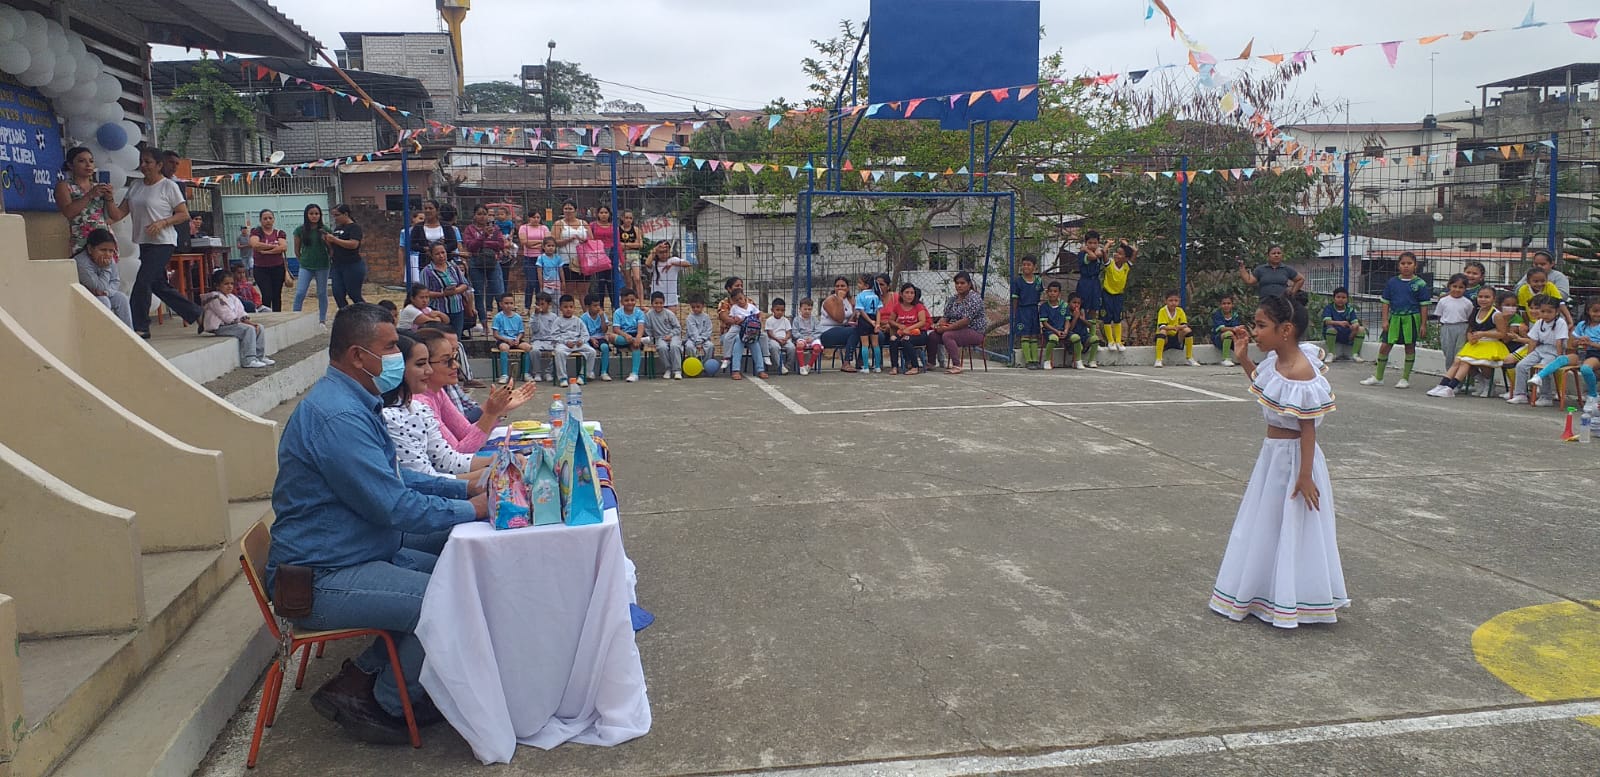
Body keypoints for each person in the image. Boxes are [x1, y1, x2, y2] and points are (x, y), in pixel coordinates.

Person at [268, 304, 489, 745]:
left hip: (357, 552)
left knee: (461, 575)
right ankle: (386, 701)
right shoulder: (339, 417)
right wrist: (475, 510)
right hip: (323, 575)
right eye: (390, 348)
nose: (398, 357)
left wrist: (465, 489)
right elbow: (394, 505)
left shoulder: (353, 403)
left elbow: (397, 477)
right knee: (447, 598)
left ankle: (361, 677)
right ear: (357, 355)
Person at [1209, 294, 1345, 628]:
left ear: (1285, 330)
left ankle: (1292, 597)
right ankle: (1264, 591)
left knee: (1292, 526)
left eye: (1261, 326)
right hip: (1273, 455)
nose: (1255, 332)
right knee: (1267, 523)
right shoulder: (1276, 363)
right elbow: (1267, 388)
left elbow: (1307, 429)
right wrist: (1243, 358)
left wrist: (1305, 475)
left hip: (1294, 460)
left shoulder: (1301, 370)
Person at [414, 328, 537, 453]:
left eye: (454, 357)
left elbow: (465, 431)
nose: (456, 365)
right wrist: (492, 413)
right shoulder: (420, 403)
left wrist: (499, 410)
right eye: (446, 361)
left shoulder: (437, 392)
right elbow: (457, 453)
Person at [121, 147, 201, 338]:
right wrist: (107, 200)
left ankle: (140, 326)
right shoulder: (136, 186)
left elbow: (183, 214)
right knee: (158, 285)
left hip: (163, 242)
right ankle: (198, 314)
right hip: (144, 241)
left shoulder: (168, 186)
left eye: (147, 162)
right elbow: (118, 213)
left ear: (158, 165)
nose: (143, 165)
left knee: (143, 281)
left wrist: (162, 223)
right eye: (141, 161)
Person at [381, 333, 482, 478]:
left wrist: (495, 462)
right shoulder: (391, 416)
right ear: (398, 367)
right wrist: (486, 475)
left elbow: (447, 459)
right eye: (420, 364)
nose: (429, 370)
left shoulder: (418, 407)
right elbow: (425, 480)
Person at [1361, 251, 1431, 389]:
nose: (1406, 266)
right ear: (1398, 265)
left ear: (1415, 265)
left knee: (1409, 347)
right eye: (1403, 263)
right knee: (1385, 346)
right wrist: (1385, 320)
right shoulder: (1392, 282)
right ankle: (1378, 377)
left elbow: (1424, 306)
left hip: (1411, 319)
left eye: (1409, 263)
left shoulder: (1420, 284)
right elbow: (1385, 302)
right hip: (1394, 319)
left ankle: (1405, 379)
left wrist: (1423, 324)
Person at [1428, 286, 1511, 398]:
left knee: (1480, 363)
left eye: (1487, 297)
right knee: (1458, 361)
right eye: (1480, 297)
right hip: (1476, 343)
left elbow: (1502, 333)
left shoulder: (1496, 315)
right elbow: (1470, 328)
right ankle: (1443, 385)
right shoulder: (1476, 311)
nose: (1483, 299)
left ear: (1494, 298)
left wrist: (1483, 334)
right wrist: (1470, 336)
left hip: (1491, 344)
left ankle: (1486, 385)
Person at [56, 146, 127, 255]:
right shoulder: (65, 186)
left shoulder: (98, 186)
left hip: (104, 238)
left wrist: (109, 198)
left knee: (107, 265)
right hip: (82, 239)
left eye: (91, 161)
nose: (88, 165)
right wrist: (90, 195)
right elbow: (68, 212)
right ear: (70, 165)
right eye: (81, 161)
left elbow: (115, 216)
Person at [200, 268, 272, 369]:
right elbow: (226, 315)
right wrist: (246, 324)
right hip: (220, 327)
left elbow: (240, 311)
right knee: (248, 329)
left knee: (259, 327)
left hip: (233, 324)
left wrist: (247, 321)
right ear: (217, 285)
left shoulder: (232, 297)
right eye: (226, 284)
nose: (230, 286)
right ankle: (248, 359)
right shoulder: (214, 298)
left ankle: (259, 356)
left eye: (231, 283)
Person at [1506, 295, 1569, 407]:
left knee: (1543, 367)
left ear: (1557, 311)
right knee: (1521, 365)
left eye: (1549, 312)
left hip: (1554, 351)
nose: (1545, 315)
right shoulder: (1539, 322)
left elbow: (1559, 342)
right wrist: (1529, 357)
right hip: (1540, 349)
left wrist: (1559, 359)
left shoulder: (1560, 323)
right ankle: (1521, 394)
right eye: (1543, 311)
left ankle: (1546, 397)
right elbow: (1533, 341)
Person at [74, 228, 132, 329]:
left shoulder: (109, 259)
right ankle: (106, 333)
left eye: (111, 251)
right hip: (84, 296)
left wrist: (107, 292)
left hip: (103, 293)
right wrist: (105, 268)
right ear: (90, 249)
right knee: (104, 301)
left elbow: (115, 280)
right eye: (103, 250)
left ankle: (129, 333)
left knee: (122, 298)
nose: (107, 254)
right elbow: (98, 287)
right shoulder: (82, 262)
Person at [463, 205, 507, 332]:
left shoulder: (495, 228)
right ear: (474, 215)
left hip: (493, 262)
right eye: (479, 213)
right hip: (476, 263)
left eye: (484, 213)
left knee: (499, 292)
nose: (482, 216)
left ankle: (503, 323)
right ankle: (484, 325)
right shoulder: (469, 229)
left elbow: (500, 244)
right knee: (478, 294)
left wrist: (482, 243)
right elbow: (470, 246)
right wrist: (484, 237)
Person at [934, 271, 986, 375]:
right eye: (957, 283)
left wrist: (946, 328)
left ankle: (957, 366)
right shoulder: (953, 299)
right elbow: (946, 317)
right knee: (933, 335)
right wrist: (938, 326)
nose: (959, 286)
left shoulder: (974, 298)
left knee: (948, 335)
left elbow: (965, 321)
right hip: (956, 330)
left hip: (974, 331)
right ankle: (931, 363)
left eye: (962, 283)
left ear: (969, 284)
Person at [293, 203, 331, 324]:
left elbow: (331, 249)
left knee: (322, 293)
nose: (314, 216)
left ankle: (322, 320)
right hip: (306, 266)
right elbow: (297, 250)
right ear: (306, 215)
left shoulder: (325, 230)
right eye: (311, 214)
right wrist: (302, 260)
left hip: (322, 265)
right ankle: (295, 318)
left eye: (317, 214)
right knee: (300, 293)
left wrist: (326, 240)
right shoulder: (300, 230)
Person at [422, 241, 470, 336]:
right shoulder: (427, 271)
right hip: (439, 310)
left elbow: (465, 284)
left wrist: (455, 291)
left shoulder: (453, 267)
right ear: (431, 255)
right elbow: (424, 292)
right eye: (437, 254)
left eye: (443, 252)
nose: (441, 256)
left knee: (456, 337)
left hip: (457, 309)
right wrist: (443, 294)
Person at [248, 210, 291, 312]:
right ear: (260, 220)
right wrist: (274, 246)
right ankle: (266, 315)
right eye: (265, 218)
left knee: (277, 295)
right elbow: (255, 245)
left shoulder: (279, 233)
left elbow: (283, 247)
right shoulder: (256, 232)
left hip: (277, 268)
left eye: (270, 218)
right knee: (267, 294)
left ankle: (277, 316)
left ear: (273, 219)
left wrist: (266, 251)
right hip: (261, 269)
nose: (268, 220)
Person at [884, 284, 931, 375]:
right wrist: (898, 325)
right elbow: (890, 320)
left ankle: (915, 366)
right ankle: (894, 367)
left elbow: (922, 322)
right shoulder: (897, 306)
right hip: (903, 332)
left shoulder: (919, 306)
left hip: (918, 333)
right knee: (893, 339)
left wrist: (909, 328)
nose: (910, 295)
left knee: (906, 340)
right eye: (907, 292)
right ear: (901, 294)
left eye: (912, 293)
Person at [551, 294, 598, 384]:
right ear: (560, 308)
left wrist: (581, 340)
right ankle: (563, 378)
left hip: (577, 344)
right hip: (564, 345)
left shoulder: (578, 320)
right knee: (559, 352)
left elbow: (585, 334)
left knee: (592, 352)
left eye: (571, 307)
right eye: (565, 307)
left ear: (574, 308)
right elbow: (554, 336)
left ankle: (583, 375)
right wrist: (565, 342)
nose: (568, 309)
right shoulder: (557, 321)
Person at [325, 204, 366, 307]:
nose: (335, 218)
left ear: (346, 214)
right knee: (338, 293)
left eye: (337, 215)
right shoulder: (338, 228)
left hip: (352, 265)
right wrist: (328, 242)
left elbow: (353, 244)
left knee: (354, 294)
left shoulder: (354, 228)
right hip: (337, 265)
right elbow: (334, 248)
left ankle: (366, 313)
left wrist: (335, 239)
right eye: (334, 215)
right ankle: (345, 314)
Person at [407, 201, 453, 289]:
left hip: (445, 263)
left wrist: (441, 249)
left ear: (437, 210)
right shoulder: (418, 227)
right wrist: (424, 249)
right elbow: (412, 244)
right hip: (425, 262)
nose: (428, 211)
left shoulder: (446, 226)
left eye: (431, 208)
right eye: (426, 208)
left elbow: (453, 243)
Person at [818, 277, 859, 372]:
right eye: (837, 286)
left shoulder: (849, 300)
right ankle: (846, 363)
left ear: (848, 288)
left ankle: (860, 361)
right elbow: (839, 319)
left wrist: (855, 311)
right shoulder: (830, 300)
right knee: (854, 331)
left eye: (843, 286)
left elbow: (851, 320)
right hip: (827, 332)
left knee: (863, 331)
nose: (840, 288)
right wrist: (840, 300)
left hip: (843, 330)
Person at [1101, 241, 1136, 352]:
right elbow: (1104, 252)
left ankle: (1118, 341)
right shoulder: (1110, 264)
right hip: (1107, 294)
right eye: (1116, 252)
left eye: (1120, 254)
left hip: (1119, 295)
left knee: (1117, 318)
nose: (1116, 254)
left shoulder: (1126, 266)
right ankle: (1110, 341)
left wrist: (1126, 245)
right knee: (1107, 317)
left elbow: (1135, 251)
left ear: (1126, 258)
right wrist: (1108, 244)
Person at [726, 288, 767, 381]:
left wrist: (758, 320)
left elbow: (759, 315)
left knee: (755, 343)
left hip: (751, 332)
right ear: (734, 301)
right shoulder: (734, 308)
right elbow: (732, 318)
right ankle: (735, 370)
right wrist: (736, 320)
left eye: (741, 298)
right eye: (737, 300)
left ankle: (761, 369)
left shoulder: (751, 306)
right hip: (739, 331)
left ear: (744, 297)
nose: (740, 301)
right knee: (738, 341)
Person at [491, 294, 533, 383]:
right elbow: (495, 334)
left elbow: (521, 332)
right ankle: (504, 375)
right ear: (501, 304)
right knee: (504, 348)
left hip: (515, 340)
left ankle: (526, 373)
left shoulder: (518, 317)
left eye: (511, 303)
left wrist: (518, 339)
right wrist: (506, 340)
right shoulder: (498, 317)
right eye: (506, 303)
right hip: (503, 340)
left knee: (527, 347)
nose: (509, 305)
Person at [1238, 244, 1305, 300]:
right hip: (1265, 303)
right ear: (1268, 255)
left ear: (1282, 255)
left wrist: (1292, 292)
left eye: (1279, 253)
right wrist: (1242, 267)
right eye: (1273, 253)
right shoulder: (1260, 269)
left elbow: (1300, 279)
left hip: (1282, 303)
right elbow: (1249, 281)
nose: (1276, 255)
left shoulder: (1286, 269)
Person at [1435, 274, 1475, 368]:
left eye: (1461, 287)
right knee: (1447, 351)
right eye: (1454, 286)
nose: (1457, 289)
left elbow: (1469, 317)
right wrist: (1442, 328)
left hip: (1462, 328)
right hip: (1447, 328)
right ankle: (1449, 373)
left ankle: (1458, 375)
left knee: (1459, 351)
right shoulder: (1443, 301)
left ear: (1465, 288)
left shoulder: (1467, 303)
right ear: (1449, 286)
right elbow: (1439, 315)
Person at [1011, 255, 1044, 369]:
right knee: (1025, 335)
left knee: (1034, 335)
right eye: (1024, 264)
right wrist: (1016, 313)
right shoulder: (1018, 281)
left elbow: (1041, 295)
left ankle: (1035, 360)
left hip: (1034, 310)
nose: (1026, 267)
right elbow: (1015, 299)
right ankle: (1028, 361)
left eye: (1029, 265)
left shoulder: (1038, 280)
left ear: (1034, 267)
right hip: (1023, 310)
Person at [552, 200, 590, 298]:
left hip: (583, 260)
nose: (568, 211)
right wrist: (569, 239)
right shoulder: (558, 224)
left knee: (583, 290)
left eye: (570, 209)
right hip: (566, 261)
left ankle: (585, 308)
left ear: (575, 210)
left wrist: (585, 241)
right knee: (569, 290)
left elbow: (592, 240)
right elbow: (554, 242)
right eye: (566, 208)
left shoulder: (583, 223)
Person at [609, 289, 649, 382]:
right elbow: (616, 329)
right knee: (610, 336)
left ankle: (634, 373)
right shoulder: (618, 312)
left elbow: (641, 327)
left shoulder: (639, 312)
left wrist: (638, 337)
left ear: (635, 300)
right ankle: (640, 340)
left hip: (635, 333)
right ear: (622, 301)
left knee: (636, 346)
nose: (630, 302)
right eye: (626, 300)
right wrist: (626, 335)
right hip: (623, 335)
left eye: (632, 300)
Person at [1153, 291, 1199, 368]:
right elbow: (1162, 326)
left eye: (1176, 300)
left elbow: (1184, 325)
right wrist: (1175, 327)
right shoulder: (1162, 311)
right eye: (1171, 300)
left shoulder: (1180, 310)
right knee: (1163, 331)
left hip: (1177, 337)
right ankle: (1158, 359)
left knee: (1187, 330)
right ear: (1166, 301)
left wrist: (1178, 327)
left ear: (1179, 301)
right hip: (1165, 338)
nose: (1173, 303)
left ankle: (1189, 357)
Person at [646, 290, 685, 379]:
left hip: (672, 336)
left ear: (664, 303)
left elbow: (677, 328)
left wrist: (670, 335)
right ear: (652, 304)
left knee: (674, 346)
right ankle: (668, 369)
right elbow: (648, 329)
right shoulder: (649, 315)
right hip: (660, 337)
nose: (658, 305)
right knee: (662, 347)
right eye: (656, 303)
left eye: (661, 303)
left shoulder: (669, 313)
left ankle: (677, 370)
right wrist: (651, 340)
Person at [1320, 288, 1365, 362]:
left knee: (1361, 329)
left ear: (1347, 299)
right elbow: (1327, 321)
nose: (1341, 299)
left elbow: (1355, 321)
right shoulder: (1329, 308)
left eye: (1343, 297)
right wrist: (1340, 323)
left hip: (1347, 334)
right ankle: (1331, 354)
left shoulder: (1350, 309)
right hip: (1334, 333)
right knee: (1330, 329)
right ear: (1334, 298)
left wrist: (1355, 325)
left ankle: (1355, 354)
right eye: (1338, 297)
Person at [518, 211, 552, 308]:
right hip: (529, 258)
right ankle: (527, 306)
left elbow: (548, 241)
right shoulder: (523, 228)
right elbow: (524, 242)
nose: (536, 219)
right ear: (529, 218)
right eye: (534, 217)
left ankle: (539, 305)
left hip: (542, 258)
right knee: (531, 282)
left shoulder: (544, 228)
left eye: (538, 217)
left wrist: (532, 244)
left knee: (539, 283)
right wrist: (540, 242)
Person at [580, 294, 614, 381]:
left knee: (605, 347)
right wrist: (591, 339)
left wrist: (602, 318)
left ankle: (604, 372)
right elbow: (583, 333)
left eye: (599, 305)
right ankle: (589, 371)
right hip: (588, 338)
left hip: (600, 337)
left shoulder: (602, 315)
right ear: (588, 307)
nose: (598, 308)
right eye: (595, 306)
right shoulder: (584, 318)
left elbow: (604, 330)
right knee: (588, 349)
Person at [853, 273, 883, 373]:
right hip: (874, 318)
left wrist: (870, 321)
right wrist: (877, 323)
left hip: (864, 320)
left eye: (859, 283)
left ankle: (865, 367)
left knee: (865, 344)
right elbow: (878, 311)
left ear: (866, 285)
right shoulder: (876, 296)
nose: (858, 285)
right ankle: (877, 366)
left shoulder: (860, 296)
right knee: (875, 344)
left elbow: (861, 311)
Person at [588, 205, 618, 303]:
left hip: (611, 253)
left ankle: (614, 305)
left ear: (609, 214)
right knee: (599, 281)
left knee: (611, 281)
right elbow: (589, 239)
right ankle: (599, 305)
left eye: (606, 212)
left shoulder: (614, 226)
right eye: (601, 213)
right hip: (597, 254)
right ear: (597, 214)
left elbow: (617, 242)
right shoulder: (592, 225)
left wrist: (620, 259)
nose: (604, 215)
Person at [648, 240, 691, 309]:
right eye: (661, 252)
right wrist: (655, 249)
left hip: (671, 299)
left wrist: (672, 263)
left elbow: (688, 264)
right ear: (657, 253)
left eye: (666, 251)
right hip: (656, 299)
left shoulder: (673, 260)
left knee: (671, 315)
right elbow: (647, 264)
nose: (664, 254)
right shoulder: (654, 262)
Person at [1074, 230, 1106, 320]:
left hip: (1095, 282)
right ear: (1086, 243)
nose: (1092, 245)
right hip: (1085, 282)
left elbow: (1099, 254)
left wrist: (1086, 248)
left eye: (1095, 243)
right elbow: (1093, 257)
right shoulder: (1082, 254)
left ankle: (1092, 325)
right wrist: (1086, 250)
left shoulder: (1098, 252)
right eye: (1090, 243)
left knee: (1094, 306)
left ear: (1098, 243)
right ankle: (1082, 325)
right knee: (1083, 305)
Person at [1037, 281, 1070, 370]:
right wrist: (1056, 331)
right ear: (1047, 293)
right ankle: (1047, 361)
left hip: (1063, 330)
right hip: (1050, 331)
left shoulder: (1064, 305)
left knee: (1076, 338)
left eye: (1055, 291)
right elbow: (1044, 323)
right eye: (1050, 291)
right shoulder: (1044, 306)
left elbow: (1067, 320)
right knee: (1053, 338)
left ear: (1059, 293)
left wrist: (1066, 331)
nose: (1052, 293)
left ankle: (1077, 361)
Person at [791, 297, 825, 375]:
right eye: (805, 309)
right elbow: (795, 332)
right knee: (800, 345)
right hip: (801, 337)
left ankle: (809, 365)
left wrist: (812, 338)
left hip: (813, 338)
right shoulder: (796, 320)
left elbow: (818, 331)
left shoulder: (814, 319)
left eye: (809, 309)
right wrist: (803, 338)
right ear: (800, 309)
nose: (807, 311)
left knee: (817, 348)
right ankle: (802, 367)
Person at [1065, 292, 1099, 369]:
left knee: (1095, 339)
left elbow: (1090, 326)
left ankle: (1091, 360)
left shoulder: (1082, 312)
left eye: (1078, 303)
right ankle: (1077, 361)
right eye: (1074, 302)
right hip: (1071, 338)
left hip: (1084, 336)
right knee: (1077, 340)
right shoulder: (1067, 312)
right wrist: (1075, 317)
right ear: (1069, 303)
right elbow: (1070, 329)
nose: (1076, 305)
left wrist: (1082, 319)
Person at [762, 297, 795, 375]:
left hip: (784, 339)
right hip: (774, 339)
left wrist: (785, 339)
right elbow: (770, 333)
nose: (780, 312)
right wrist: (778, 340)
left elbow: (789, 332)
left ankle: (787, 366)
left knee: (792, 348)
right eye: (777, 310)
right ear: (772, 310)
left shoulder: (786, 320)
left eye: (782, 310)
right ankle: (780, 366)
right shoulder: (769, 320)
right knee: (774, 347)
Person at [618, 210, 646, 296]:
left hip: (634, 255)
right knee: (628, 280)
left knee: (637, 278)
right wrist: (633, 244)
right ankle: (630, 298)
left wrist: (625, 245)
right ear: (622, 218)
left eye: (630, 218)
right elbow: (618, 245)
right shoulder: (618, 229)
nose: (628, 220)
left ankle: (641, 301)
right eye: (626, 218)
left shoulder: (636, 229)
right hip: (623, 256)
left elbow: (640, 244)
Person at [1211, 294, 1243, 367]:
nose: (1226, 306)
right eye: (1224, 304)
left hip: (1233, 336)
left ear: (1232, 305)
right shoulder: (1217, 314)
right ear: (1220, 305)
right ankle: (1225, 358)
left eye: (1228, 303)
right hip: (1218, 337)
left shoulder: (1235, 314)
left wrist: (1238, 329)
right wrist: (1234, 328)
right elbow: (1222, 329)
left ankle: (1242, 357)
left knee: (1242, 335)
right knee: (1228, 333)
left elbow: (1237, 327)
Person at [534, 236, 566, 301]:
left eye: (553, 246)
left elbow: (561, 271)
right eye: (548, 246)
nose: (551, 247)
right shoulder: (541, 258)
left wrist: (563, 282)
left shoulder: (558, 258)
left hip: (556, 284)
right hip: (546, 285)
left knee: (557, 302)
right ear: (544, 247)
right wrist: (541, 285)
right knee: (545, 302)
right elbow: (539, 273)